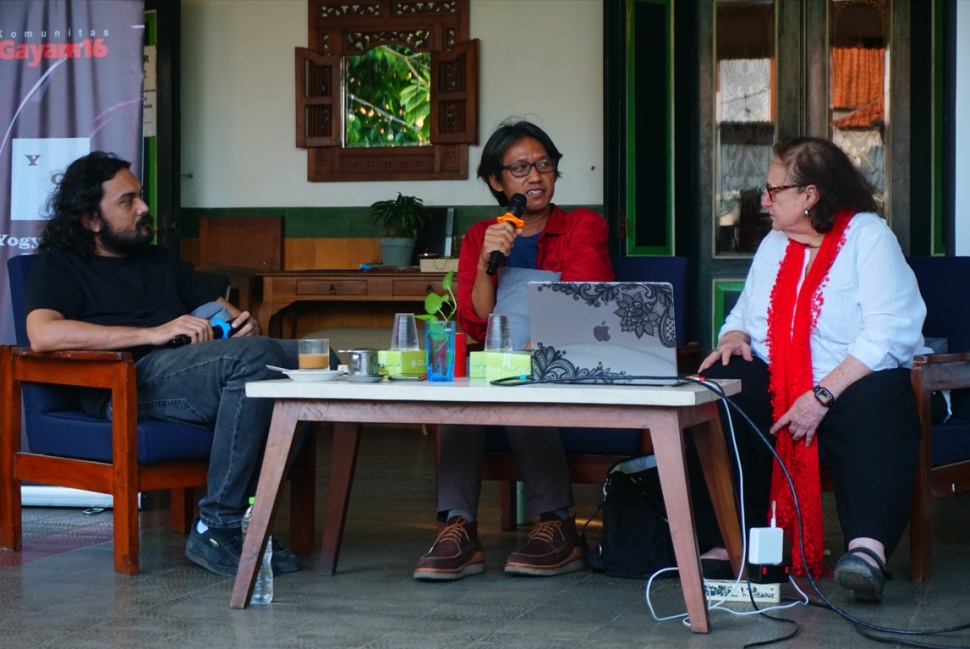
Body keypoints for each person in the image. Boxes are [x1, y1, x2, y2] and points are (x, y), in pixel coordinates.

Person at [24, 151, 327, 578]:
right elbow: (43, 333)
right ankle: (217, 524)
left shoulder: (160, 260)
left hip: (189, 373)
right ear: (91, 219)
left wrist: (243, 324)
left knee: (321, 358)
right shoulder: (59, 265)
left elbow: (218, 309)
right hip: (129, 381)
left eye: (141, 196)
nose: (144, 208)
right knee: (260, 360)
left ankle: (248, 518)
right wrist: (151, 334)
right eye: (127, 201)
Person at [695, 137, 924, 602]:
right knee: (720, 389)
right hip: (783, 381)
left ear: (810, 195)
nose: (763, 199)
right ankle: (728, 537)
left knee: (880, 399)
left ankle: (866, 552)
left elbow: (889, 333)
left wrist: (822, 395)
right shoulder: (774, 246)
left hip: (852, 382)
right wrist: (732, 339)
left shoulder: (869, 238)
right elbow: (742, 317)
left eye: (773, 189)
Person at [413, 120, 614, 581]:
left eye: (544, 164)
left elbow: (585, 300)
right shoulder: (481, 235)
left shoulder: (583, 225)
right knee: (469, 392)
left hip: (571, 357)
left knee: (513, 379)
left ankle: (556, 524)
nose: (535, 177)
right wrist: (487, 264)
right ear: (496, 182)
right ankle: (457, 527)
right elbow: (477, 321)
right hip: (504, 359)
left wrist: (529, 350)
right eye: (520, 168)